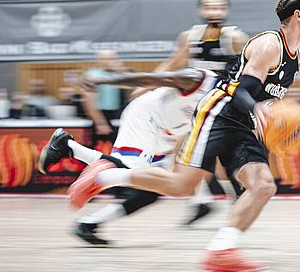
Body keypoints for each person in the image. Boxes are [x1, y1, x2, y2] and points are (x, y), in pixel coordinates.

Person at [67, 0, 300, 272]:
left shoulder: (294, 56)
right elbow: (241, 91)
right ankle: (102, 176)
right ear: (298, 15)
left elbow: (263, 96)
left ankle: (221, 251)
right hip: (219, 114)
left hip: (244, 124)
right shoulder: (268, 44)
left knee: (263, 185)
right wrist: (258, 108)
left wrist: (275, 115)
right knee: (182, 186)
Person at [39, 67, 219, 245]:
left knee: (152, 190)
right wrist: (105, 80)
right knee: (133, 171)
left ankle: (89, 223)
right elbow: (151, 78)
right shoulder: (200, 79)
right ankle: (69, 146)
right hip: (147, 116)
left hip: (169, 133)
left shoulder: (226, 102)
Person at [152, 0, 249, 225]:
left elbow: (252, 69)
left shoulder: (235, 37)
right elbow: (174, 62)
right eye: (209, 7)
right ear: (201, 11)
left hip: (223, 102)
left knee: (218, 157)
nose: (214, 11)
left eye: (219, 7)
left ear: (225, 11)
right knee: (181, 151)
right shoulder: (190, 37)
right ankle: (202, 201)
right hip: (195, 101)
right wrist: (150, 82)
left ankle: (233, 197)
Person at [81, 50, 129, 143]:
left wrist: (121, 70)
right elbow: (89, 101)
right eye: (104, 59)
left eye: (111, 59)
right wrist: (100, 123)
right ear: (98, 61)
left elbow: (132, 91)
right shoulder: (92, 75)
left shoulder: (118, 75)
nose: (108, 61)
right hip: (101, 115)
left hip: (117, 115)